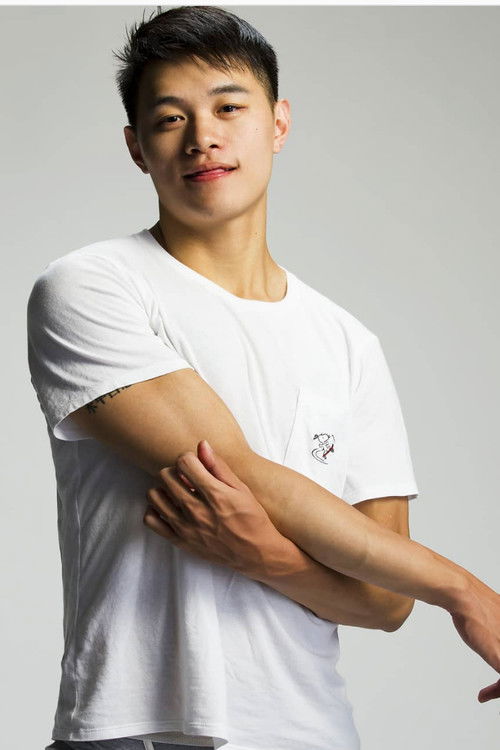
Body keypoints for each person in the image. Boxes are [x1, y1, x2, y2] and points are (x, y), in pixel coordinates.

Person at [27, 6, 499, 750]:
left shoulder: (348, 344)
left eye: (228, 108)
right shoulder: (91, 287)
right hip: (135, 730)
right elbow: (228, 465)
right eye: (170, 119)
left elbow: (384, 602)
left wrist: (266, 557)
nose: (202, 137)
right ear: (136, 147)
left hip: (311, 731)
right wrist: (465, 590)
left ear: (278, 123)